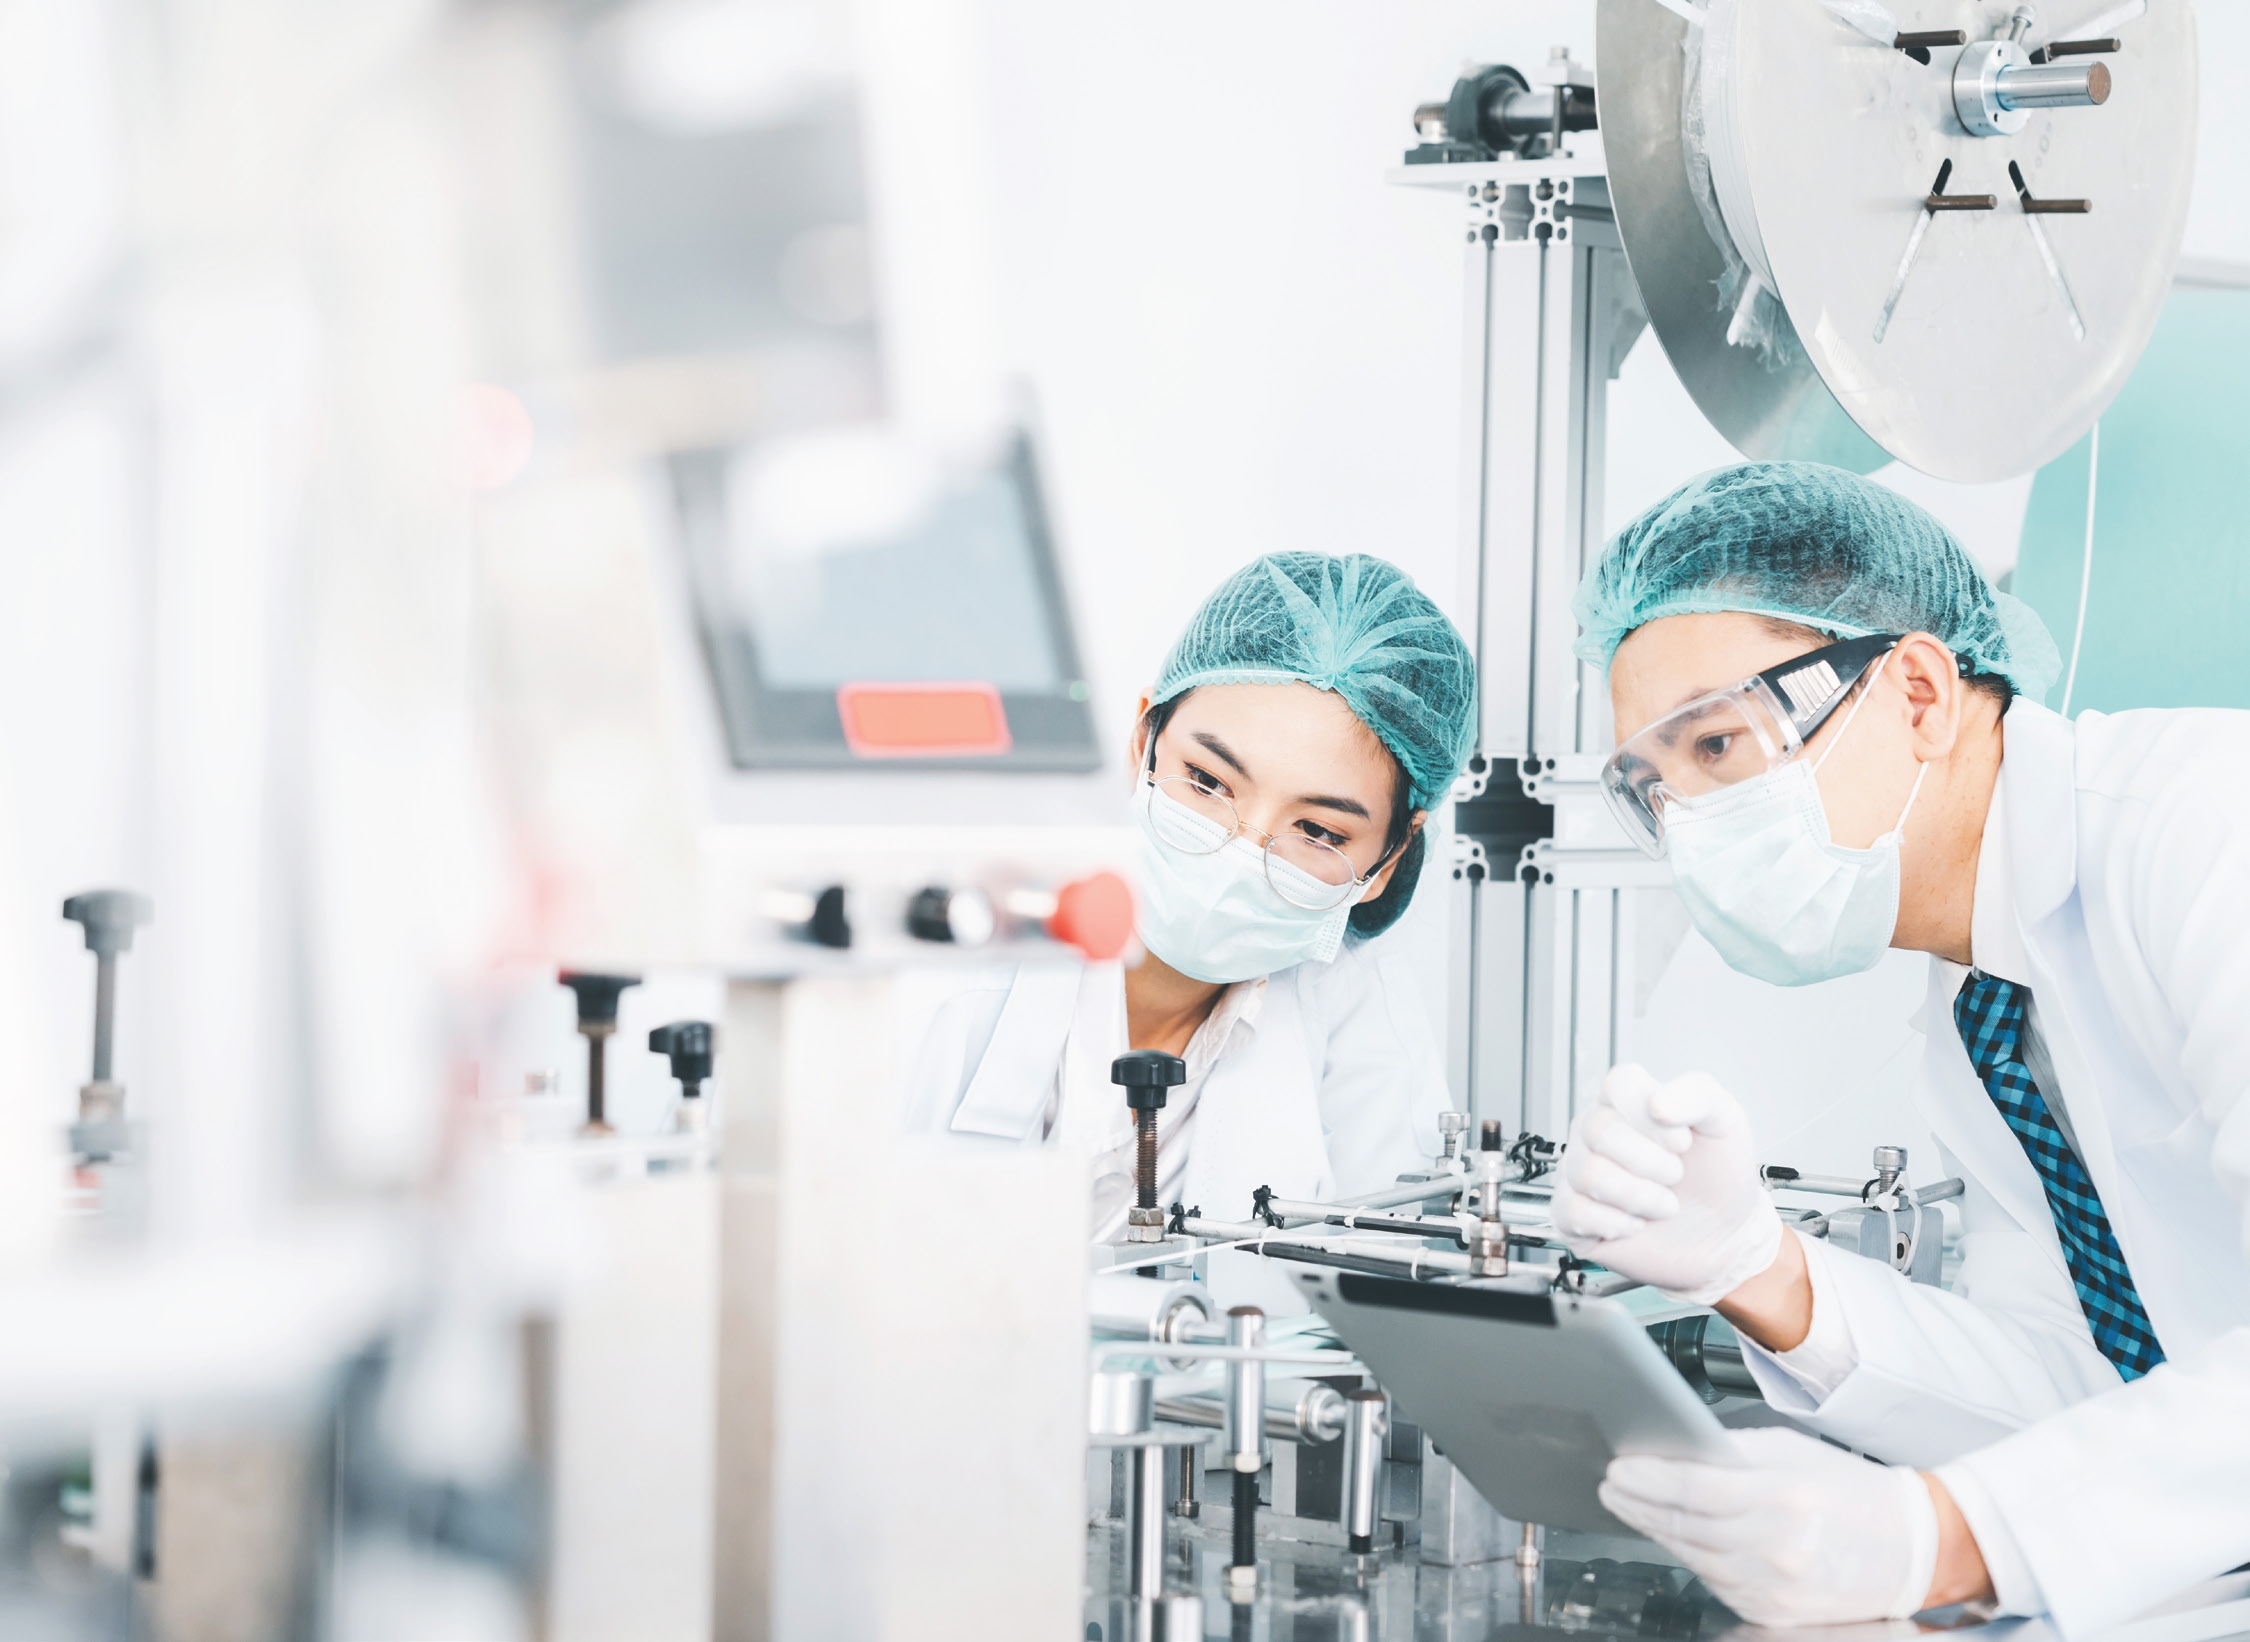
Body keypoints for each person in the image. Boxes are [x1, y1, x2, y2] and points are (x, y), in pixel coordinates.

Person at [1545, 461, 2250, 1634]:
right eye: (1653, 788)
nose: (1692, 829)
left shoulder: (2208, 835)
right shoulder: (1982, 1005)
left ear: (1919, 690)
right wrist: (1755, 1269)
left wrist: (1948, 1541)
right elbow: (2087, 1390)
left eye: (1716, 747)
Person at [903, 551, 1474, 1244]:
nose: (1241, 852)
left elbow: (1399, 1288)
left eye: (1317, 830)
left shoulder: (1356, 1010)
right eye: (1206, 782)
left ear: (1388, 861)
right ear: (1143, 739)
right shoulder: (941, 964)